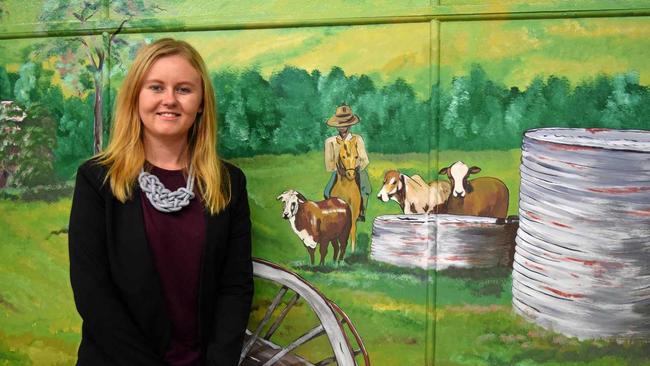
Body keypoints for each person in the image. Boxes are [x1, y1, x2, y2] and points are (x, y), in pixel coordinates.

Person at [68, 38, 253, 366]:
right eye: (156, 87)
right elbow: (92, 293)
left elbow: (234, 287)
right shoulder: (96, 181)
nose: (169, 100)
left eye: (183, 89)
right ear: (136, 98)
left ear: (200, 104)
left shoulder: (229, 184)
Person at [323, 103, 371, 221]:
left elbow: (364, 159)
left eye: (345, 124)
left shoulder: (357, 139)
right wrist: (339, 169)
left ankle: (361, 211)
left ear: (350, 125)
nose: (342, 127)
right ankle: (331, 213)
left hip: (356, 169)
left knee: (366, 187)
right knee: (327, 191)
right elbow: (329, 163)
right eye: (340, 124)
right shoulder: (330, 142)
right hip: (339, 171)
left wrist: (353, 168)